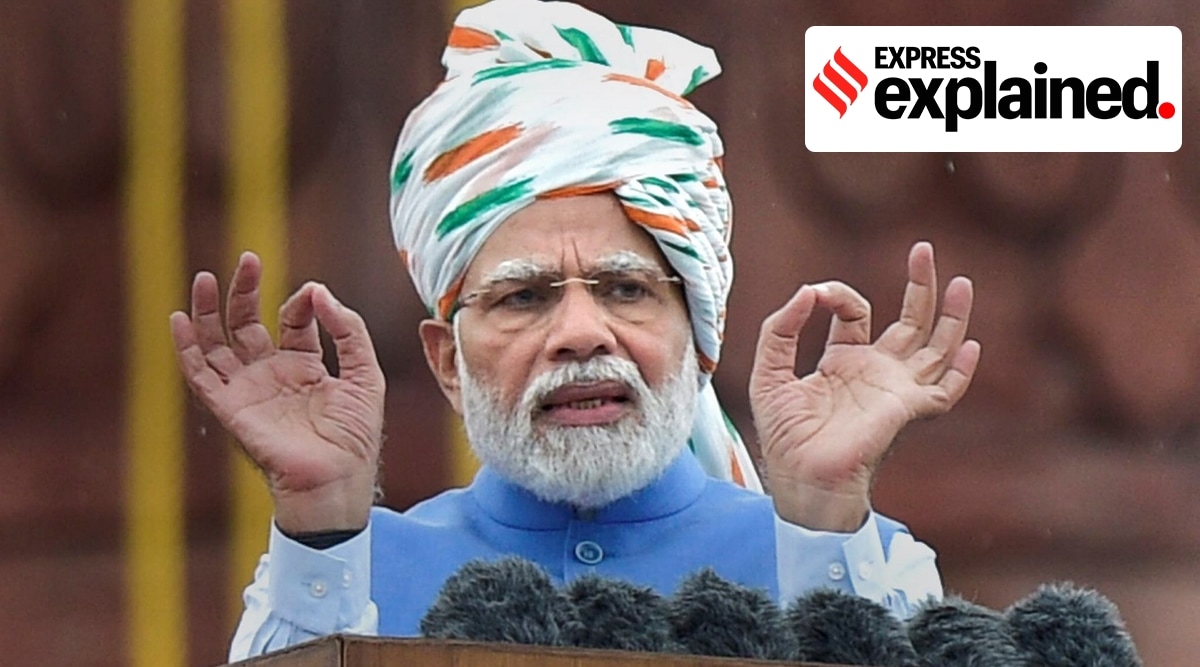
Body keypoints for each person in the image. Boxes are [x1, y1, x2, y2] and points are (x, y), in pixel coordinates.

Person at [170, 0, 980, 661]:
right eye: (523, 299)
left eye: (627, 289)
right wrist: (321, 520)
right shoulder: (348, 569)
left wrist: (824, 517)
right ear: (448, 363)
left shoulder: (858, 557)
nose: (581, 334)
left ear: (697, 331)